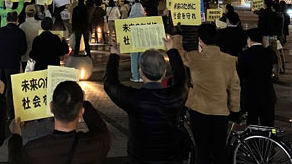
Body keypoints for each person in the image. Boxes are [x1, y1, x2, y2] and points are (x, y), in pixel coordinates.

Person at [104, 36, 188, 164]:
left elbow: (110, 84)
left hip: (140, 157)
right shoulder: (175, 96)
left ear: (141, 72)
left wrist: (114, 56)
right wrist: (171, 50)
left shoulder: (134, 98)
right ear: (164, 72)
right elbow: (182, 78)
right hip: (171, 157)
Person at [173, 23, 241, 164]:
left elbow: (178, 53)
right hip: (221, 111)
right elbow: (235, 87)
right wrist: (235, 110)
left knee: (202, 149)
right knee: (219, 149)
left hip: (199, 110)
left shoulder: (194, 57)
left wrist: (177, 35)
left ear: (200, 40)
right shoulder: (229, 59)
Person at [9, 81, 110, 163]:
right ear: (81, 112)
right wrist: (83, 102)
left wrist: (16, 135)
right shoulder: (96, 145)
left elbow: (14, 159)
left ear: (51, 107)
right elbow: (100, 129)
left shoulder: (33, 150)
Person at [237, 28, 277, 126]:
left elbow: (240, 75)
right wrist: (267, 46)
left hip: (251, 94)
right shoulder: (269, 53)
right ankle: (268, 140)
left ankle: (252, 141)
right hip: (268, 93)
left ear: (249, 39)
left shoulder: (244, 54)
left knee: (252, 123)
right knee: (268, 123)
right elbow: (275, 64)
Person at [0, 10, 27, 117]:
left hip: (0, 63)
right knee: (11, 89)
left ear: (6, 20)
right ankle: (11, 113)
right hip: (13, 63)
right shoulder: (20, 33)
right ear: (17, 20)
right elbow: (23, 49)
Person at [19, 5, 41, 69]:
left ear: (25, 13)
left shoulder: (22, 26)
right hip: (38, 56)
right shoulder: (40, 24)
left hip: (25, 57)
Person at [128, 1, 145, 82]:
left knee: (134, 59)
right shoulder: (145, 18)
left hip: (133, 41)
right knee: (142, 58)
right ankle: (142, 76)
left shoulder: (129, 19)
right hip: (143, 41)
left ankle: (135, 77)